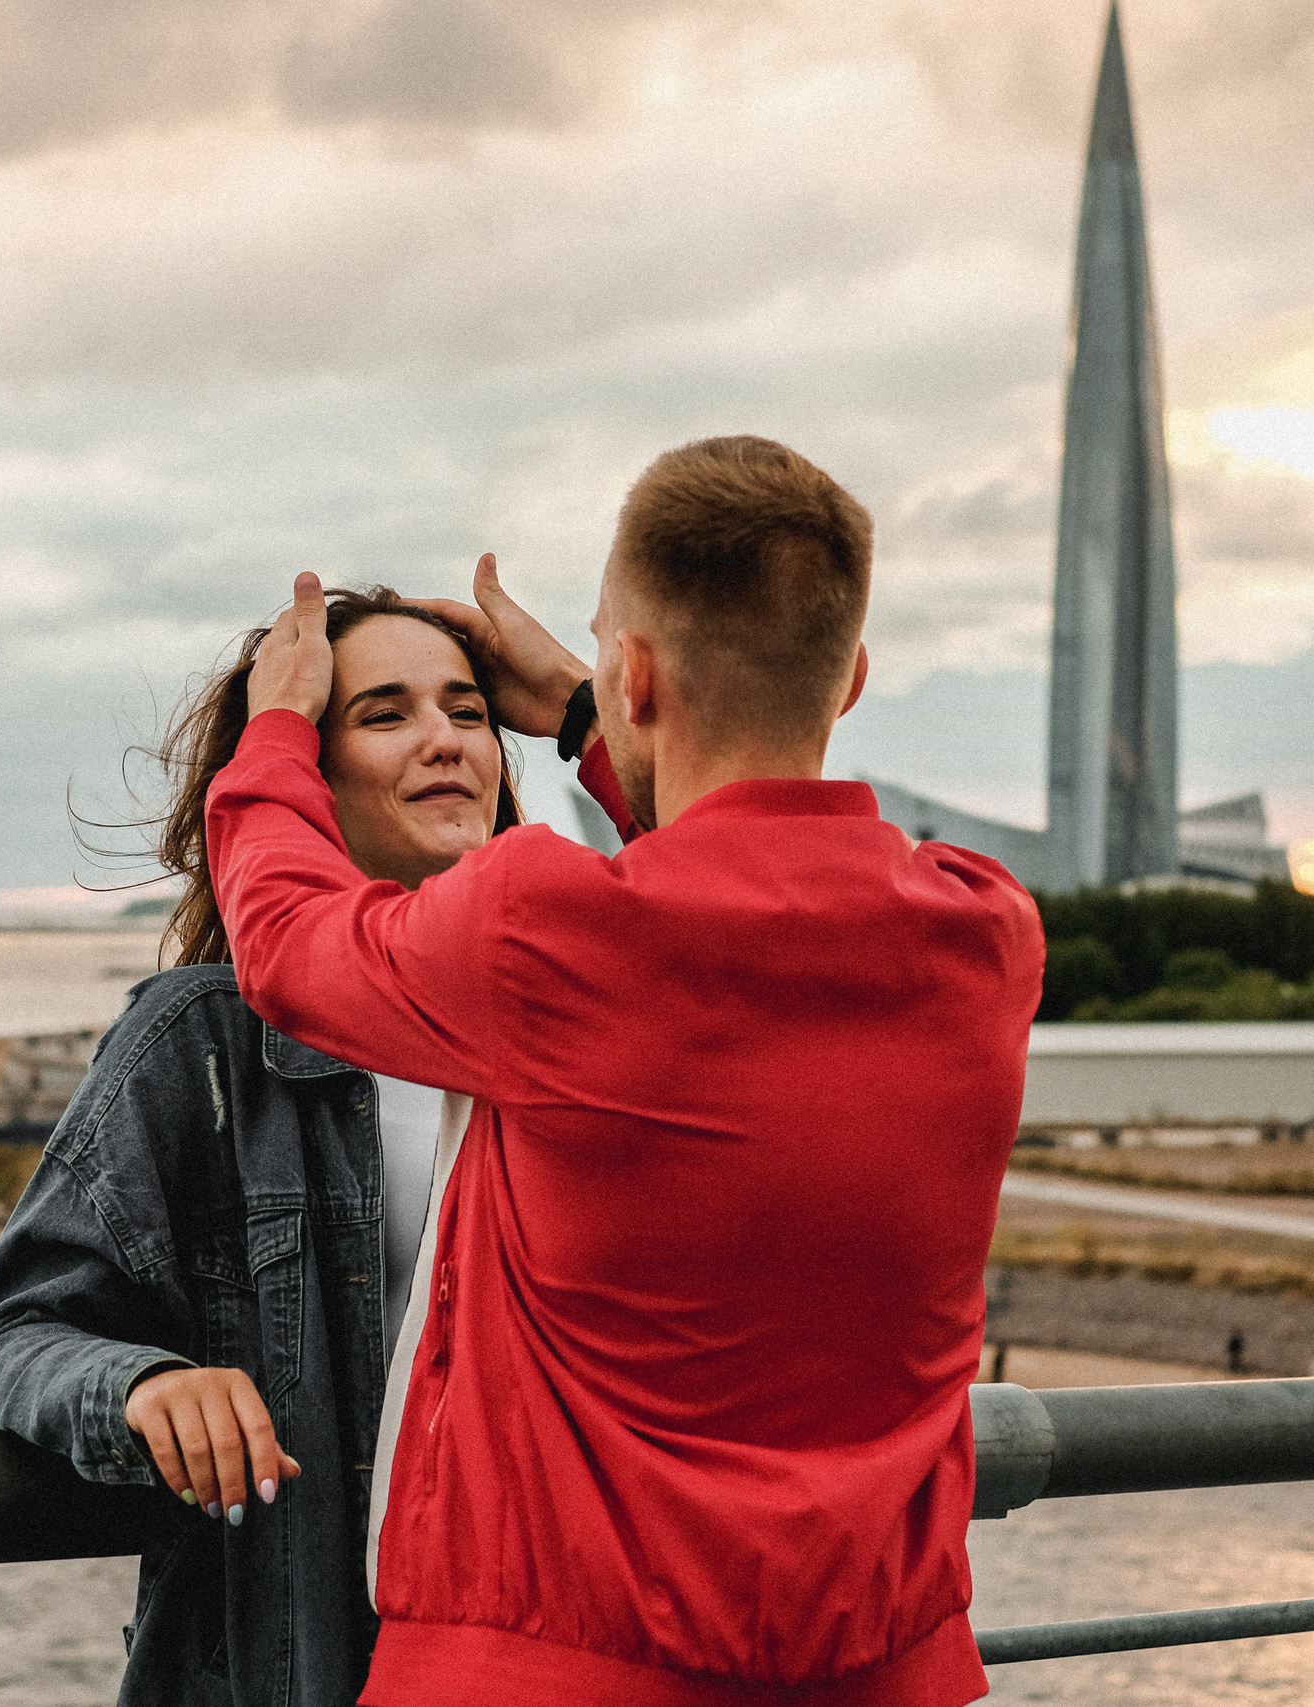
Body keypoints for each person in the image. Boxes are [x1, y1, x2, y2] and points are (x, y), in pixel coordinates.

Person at [207, 436, 1046, 1706]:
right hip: (882, 1674)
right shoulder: (985, 935)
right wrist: (600, 714)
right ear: (853, 677)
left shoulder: (547, 935)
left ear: (636, 671)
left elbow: (285, 943)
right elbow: (746, 881)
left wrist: (278, 727)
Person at [0, 587, 587, 1707]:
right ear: (300, 772)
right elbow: (18, 1329)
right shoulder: (200, 1044)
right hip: (294, 1669)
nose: (447, 739)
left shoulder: (588, 1011)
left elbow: (756, 922)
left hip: (548, 1660)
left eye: (467, 711)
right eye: (385, 715)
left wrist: (590, 714)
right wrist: (141, 1388)